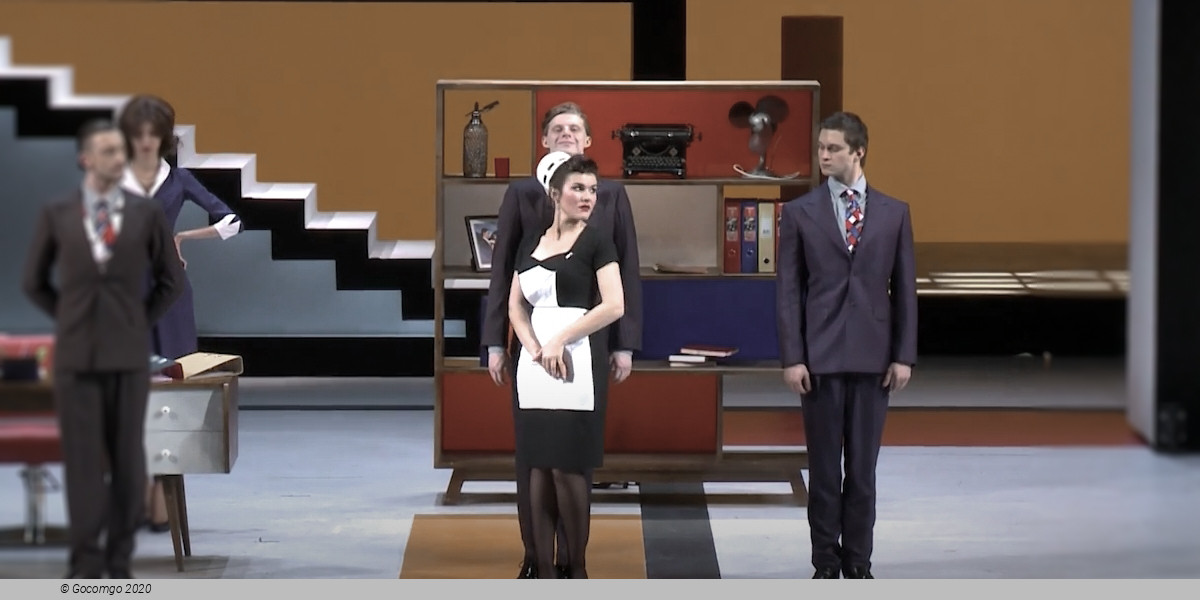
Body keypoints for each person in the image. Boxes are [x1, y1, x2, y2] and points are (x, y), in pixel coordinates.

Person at [481, 102, 642, 578]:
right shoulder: (521, 194)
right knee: (533, 460)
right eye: (557, 128)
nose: (566, 133)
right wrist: (498, 343)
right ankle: (535, 559)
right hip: (531, 347)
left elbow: (627, 273)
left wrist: (624, 344)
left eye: (575, 128)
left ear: (588, 140)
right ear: (545, 141)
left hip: (586, 344)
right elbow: (503, 276)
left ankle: (574, 562)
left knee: (572, 460)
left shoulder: (611, 195)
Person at [22, 119, 185, 579]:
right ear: (86, 159)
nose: (120, 158)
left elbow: (172, 282)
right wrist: (70, 319)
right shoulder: (58, 213)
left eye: (122, 150)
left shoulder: (146, 214)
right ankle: (84, 563)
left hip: (128, 356)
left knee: (128, 459)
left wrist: (138, 322)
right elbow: (34, 282)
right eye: (109, 151)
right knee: (82, 463)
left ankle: (118, 560)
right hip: (76, 358)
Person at [775, 111, 917, 579]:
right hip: (819, 358)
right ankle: (825, 562)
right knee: (823, 471)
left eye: (833, 148)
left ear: (859, 152)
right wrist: (793, 357)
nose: (823, 156)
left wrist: (903, 355)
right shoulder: (800, 212)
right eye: (821, 147)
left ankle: (858, 562)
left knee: (862, 471)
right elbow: (788, 291)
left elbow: (905, 289)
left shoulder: (895, 213)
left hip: (874, 357)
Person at [117, 94, 243, 532]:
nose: (146, 141)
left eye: (154, 134)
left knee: (168, 397)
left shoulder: (179, 179)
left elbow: (232, 220)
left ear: (164, 137)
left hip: (169, 296)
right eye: (139, 133)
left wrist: (183, 237)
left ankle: (161, 494)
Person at [507, 154, 624, 579]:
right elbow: (516, 306)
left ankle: (576, 569)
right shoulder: (530, 242)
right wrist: (533, 348)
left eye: (593, 190)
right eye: (578, 188)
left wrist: (559, 340)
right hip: (533, 365)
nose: (588, 196)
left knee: (567, 467)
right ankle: (544, 570)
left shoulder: (598, 242)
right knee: (538, 465)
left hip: (575, 363)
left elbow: (614, 305)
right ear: (555, 193)